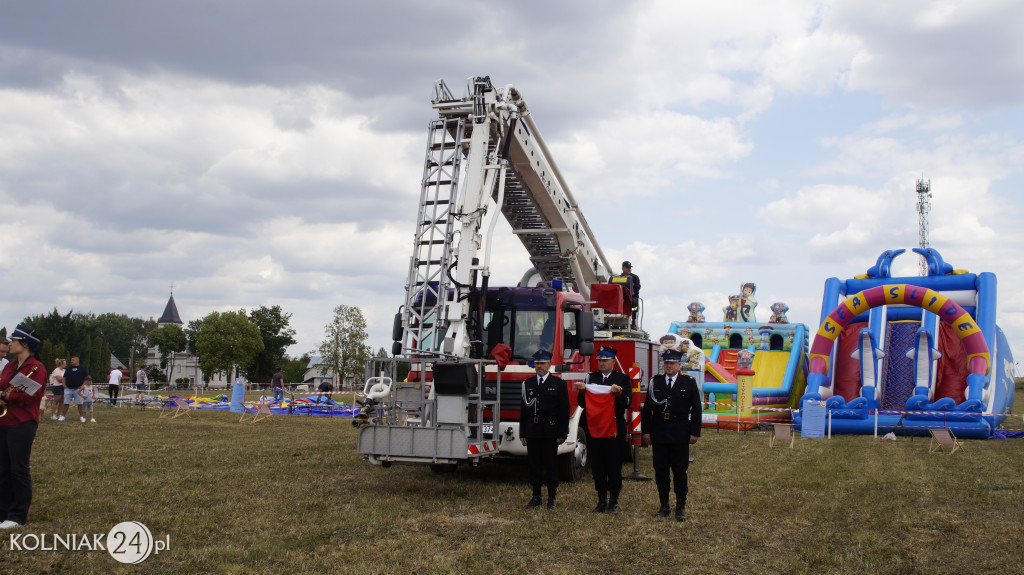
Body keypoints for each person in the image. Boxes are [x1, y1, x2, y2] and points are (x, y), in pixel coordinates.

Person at [641, 349, 702, 522]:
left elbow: (696, 409)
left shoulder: (688, 382)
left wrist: (694, 432)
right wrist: (646, 431)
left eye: (672, 363)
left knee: (680, 471)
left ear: (679, 365)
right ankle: (664, 505)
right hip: (659, 431)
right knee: (661, 471)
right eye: (666, 363)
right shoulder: (656, 382)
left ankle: (681, 507)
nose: (668, 366)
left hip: (680, 432)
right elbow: (647, 410)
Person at [0, 325, 48, 529]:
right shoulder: (10, 366)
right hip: (3, 420)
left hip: (22, 422)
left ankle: (18, 515)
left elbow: (31, 397)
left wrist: (4, 396)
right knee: (2, 469)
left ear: (25, 344)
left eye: (14, 341)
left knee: (18, 468)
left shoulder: (35, 368)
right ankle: (3, 512)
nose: (10, 344)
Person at [574, 346, 631, 515]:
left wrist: (618, 394)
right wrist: (583, 392)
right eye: (599, 360)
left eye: (605, 360)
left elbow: (627, 402)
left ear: (613, 361)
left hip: (614, 430)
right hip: (595, 428)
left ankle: (613, 501)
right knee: (598, 467)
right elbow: (582, 404)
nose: (602, 363)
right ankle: (601, 500)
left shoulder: (622, 379)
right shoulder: (591, 378)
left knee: (614, 467)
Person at [519, 349, 569, 510]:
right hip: (533, 430)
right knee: (534, 464)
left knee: (551, 464)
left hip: (550, 430)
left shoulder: (558, 384)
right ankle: (536, 497)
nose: (539, 366)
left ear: (549, 364)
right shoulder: (528, 384)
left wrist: (562, 433)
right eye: (537, 363)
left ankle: (552, 497)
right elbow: (523, 410)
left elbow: (564, 410)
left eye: (542, 363)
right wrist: (522, 432)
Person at [58, 356, 89, 422]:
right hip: (68, 389)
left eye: (73, 360)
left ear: (77, 361)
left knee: (80, 403)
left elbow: (87, 378)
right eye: (71, 360)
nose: (71, 361)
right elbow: (64, 377)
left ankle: (82, 417)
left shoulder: (82, 368)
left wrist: (83, 386)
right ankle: (62, 416)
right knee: (66, 403)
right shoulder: (68, 369)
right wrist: (64, 385)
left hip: (78, 389)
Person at [621, 261, 641, 329]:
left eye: (630, 268)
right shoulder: (619, 278)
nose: (629, 269)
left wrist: (632, 286)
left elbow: (638, 287)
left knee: (634, 306)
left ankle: (633, 322)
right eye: (627, 268)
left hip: (633, 298)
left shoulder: (635, 278)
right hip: (623, 298)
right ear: (622, 268)